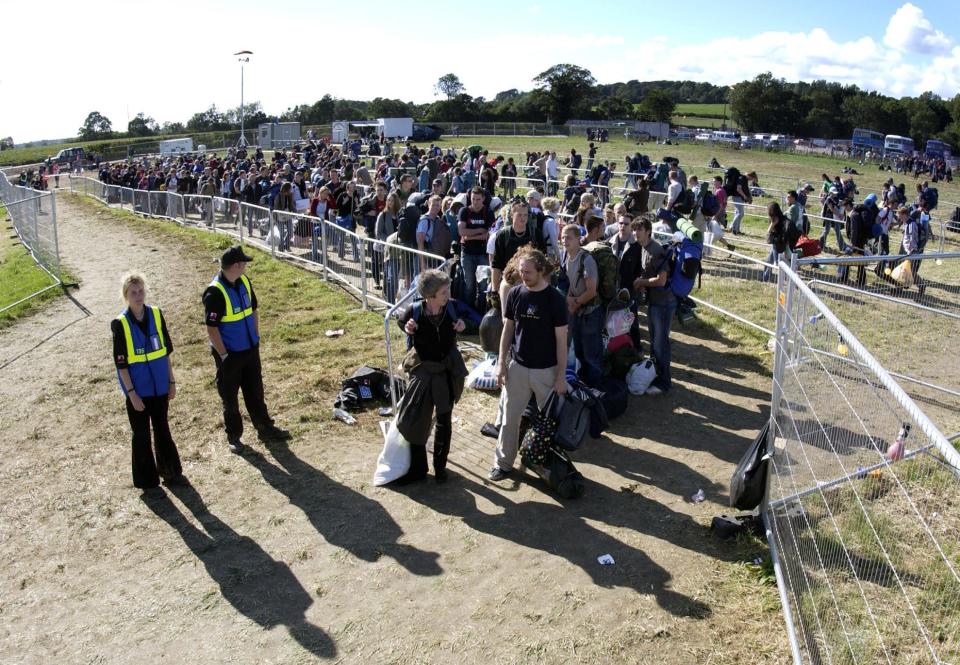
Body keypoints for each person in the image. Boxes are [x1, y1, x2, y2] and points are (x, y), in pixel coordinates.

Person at [490, 247, 568, 481]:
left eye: (528, 272)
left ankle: (546, 463)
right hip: (518, 367)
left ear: (542, 271)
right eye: (521, 271)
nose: (523, 276)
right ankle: (503, 464)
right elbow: (508, 330)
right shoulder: (515, 294)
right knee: (508, 420)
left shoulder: (556, 300)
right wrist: (501, 363)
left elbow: (562, 341)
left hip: (546, 370)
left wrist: (561, 376)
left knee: (549, 423)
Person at [203, 246, 290, 454]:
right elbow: (211, 328)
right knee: (230, 396)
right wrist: (223, 354)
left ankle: (265, 427)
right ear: (235, 266)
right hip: (230, 355)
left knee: (255, 391)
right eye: (243, 264)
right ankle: (234, 436)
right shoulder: (214, 292)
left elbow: (253, 310)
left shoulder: (244, 282)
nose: (245, 267)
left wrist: (256, 337)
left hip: (250, 348)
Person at [112, 272, 184, 492]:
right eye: (133, 292)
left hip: (160, 387)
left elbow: (165, 353)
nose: (138, 295)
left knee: (162, 429)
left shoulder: (156, 314)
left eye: (141, 290)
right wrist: (131, 394)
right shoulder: (120, 324)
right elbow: (121, 365)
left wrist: (171, 382)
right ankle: (147, 482)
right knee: (142, 435)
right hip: (139, 392)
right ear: (126, 295)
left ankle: (171, 472)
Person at [394, 270, 468, 484]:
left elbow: (470, 321)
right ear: (430, 296)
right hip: (423, 371)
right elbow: (401, 322)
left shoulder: (452, 307)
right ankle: (418, 469)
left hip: (445, 371)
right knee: (415, 418)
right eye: (444, 292)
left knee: (444, 421)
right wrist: (408, 328)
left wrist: (463, 326)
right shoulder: (414, 310)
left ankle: (440, 467)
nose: (448, 295)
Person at [632, 217, 675, 395]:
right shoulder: (644, 248)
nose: (635, 233)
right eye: (634, 230)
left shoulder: (656, 250)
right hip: (655, 302)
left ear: (648, 231)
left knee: (660, 344)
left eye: (639, 230)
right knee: (655, 342)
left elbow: (661, 280)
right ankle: (655, 376)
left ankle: (664, 383)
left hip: (664, 303)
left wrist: (642, 281)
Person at [561, 223, 603, 387]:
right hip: (578, 309)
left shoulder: (587, 259)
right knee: (579, 350)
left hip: (591, 312)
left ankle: (595, 388)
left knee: (591, 354)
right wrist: (570, 299)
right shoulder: (566, 256)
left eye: (569, 237)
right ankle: (584, 385)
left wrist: (575, 303)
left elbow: (592, 291)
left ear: (578, 239)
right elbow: (573, 282)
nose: (565, 240)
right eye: (563, 237)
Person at [457, 187, 495, 309]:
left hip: (482, 254)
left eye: (478, 199)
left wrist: (470, 236)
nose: (475, 202)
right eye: (473, 199)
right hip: (467, 253)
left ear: (483, 199)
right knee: (469, 285)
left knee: (483, 285)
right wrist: (479, 230)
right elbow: (461, 232)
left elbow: (489, 235)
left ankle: (481, 310)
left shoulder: (488, 213)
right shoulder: (464, 211)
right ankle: (468, 310)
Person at [761, 203, 788, 283]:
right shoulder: (776, 218)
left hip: (778, 244)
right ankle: (765, 279)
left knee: (778, 264)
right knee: (768, 262)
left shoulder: (777, 220)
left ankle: (790, 279)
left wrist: (772, 224)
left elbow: (768, 233)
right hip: (776, 244)